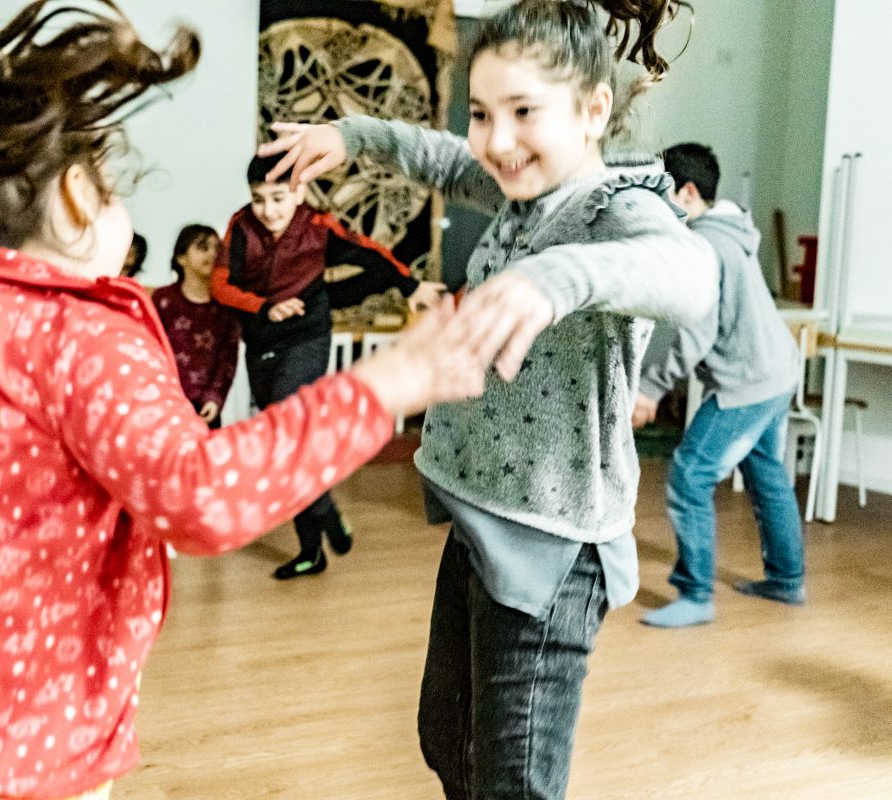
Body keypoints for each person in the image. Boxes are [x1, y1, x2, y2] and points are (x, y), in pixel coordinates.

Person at [0, 3, 498, 798]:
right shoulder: (85, 340)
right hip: (19, 769)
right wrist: (388, 384)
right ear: (80, 197)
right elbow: (202, 497)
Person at [259, 0, 715, 795]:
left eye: (524, 112)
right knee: (446, 737)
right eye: (481, 112)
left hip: (553, 549)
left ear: (593, 109)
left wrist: (560, 276)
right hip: (480, 519)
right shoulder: (517, 187)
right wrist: (353, 134)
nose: (497, 140)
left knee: (514, 780)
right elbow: (437, 157)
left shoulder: (618, 208)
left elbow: (689, 276)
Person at [212, 153, 447, 579]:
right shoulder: (241, 226)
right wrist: (264, 307)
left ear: (298, 191)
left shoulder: (317, 227)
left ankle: (326, 512)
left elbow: (371, 253)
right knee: (286, 443)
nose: (269, 210)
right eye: (260, 199)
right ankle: (311, 550)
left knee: (287, 426)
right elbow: (220, 285)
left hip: (306, 339)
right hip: (261, 339)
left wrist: (409, 286)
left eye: (279, 198)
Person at [633, 142, 804, 628]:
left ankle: (696, 595)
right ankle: (787, 580)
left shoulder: (704, 245)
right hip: (778, 372)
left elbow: (698, 333)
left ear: (687, 192)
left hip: (748, 383)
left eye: (662, 193)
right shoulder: (733, 232)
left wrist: (650, 387)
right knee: (767, 471)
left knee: (689, 473)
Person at [153, 224, 239, 428]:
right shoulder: (163, 300)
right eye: (202, 247)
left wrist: (214, 398)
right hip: (166, 403)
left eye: (216, 248)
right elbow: (152, 349)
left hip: (205, 410)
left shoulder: (227, 306)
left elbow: (227, 359)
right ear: (181, 258)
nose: (212, 254)